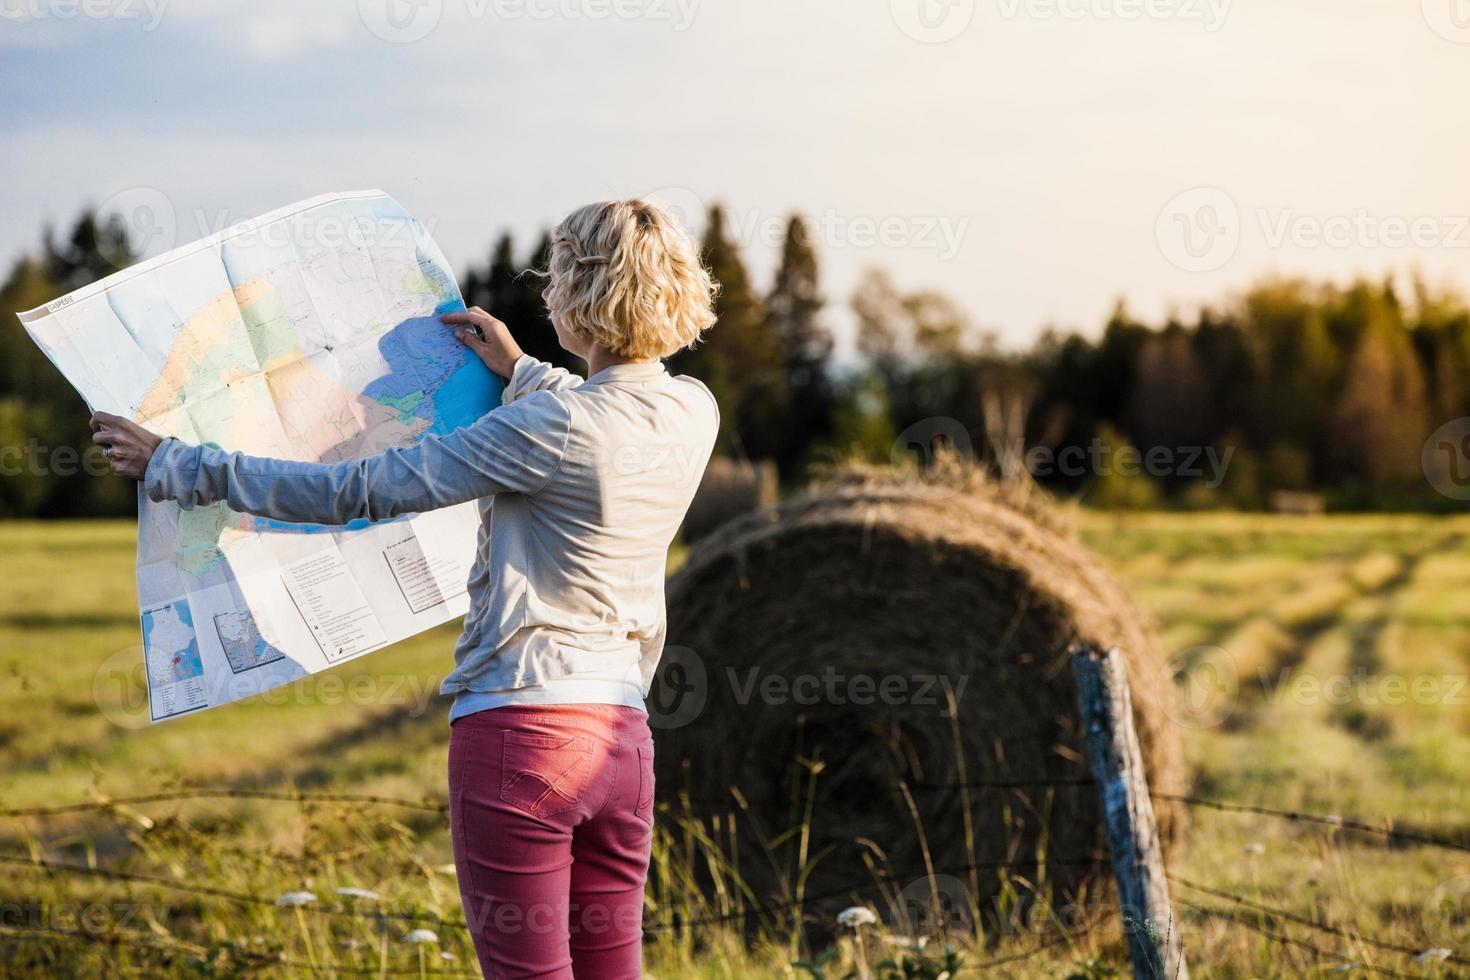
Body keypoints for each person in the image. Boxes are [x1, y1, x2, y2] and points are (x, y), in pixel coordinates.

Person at [91, 199, 721, 979]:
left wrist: (179, 464)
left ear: (577, 294)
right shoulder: (694, 409)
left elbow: (355, 490)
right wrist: (520, 368)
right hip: (623, 743)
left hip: (522, 737)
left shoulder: (547, 430)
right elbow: (601, 407)